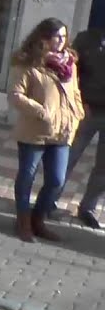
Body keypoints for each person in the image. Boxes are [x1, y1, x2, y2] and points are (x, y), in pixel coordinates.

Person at [8, 18, 84, 242]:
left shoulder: (70, 62)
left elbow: (75, 93)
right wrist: (41, 112)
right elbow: (15, 95)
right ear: (43, 38)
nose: (62, 41)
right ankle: (23, 222)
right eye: (57, 36)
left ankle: (37, 219)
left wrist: (77, 113)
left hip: (63, 131)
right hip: (35, 130)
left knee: (56, 180)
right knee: (27, 177)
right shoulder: (27, 62)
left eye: (64, 36)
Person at [63, 27, 105, 229]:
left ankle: (88, 208)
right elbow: (70, 71)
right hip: (87, 109)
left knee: (103, 167)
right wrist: (79, 100)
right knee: (69, 155)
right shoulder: (86, 39)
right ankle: (49, 200)